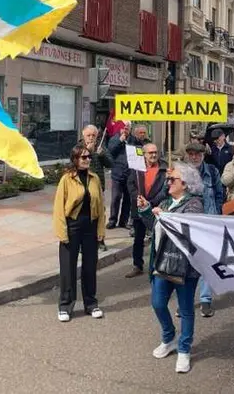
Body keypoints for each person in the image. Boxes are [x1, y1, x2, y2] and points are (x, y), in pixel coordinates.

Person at [138, 164, 204, 373]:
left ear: (185, 184)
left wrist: (165, 215)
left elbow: (187, 227)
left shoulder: (195, 204)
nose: (168, 182)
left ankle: (184, 349)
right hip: (163, 263)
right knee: (158, 303)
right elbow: (153, 226)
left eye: (172, 180)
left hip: (185, 267)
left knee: (185, 310)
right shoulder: (166, 202)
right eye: (168, 179)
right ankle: (169, 337)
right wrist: (146, 210)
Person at [53, 144, 106, 322]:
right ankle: (65, 306)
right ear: (75, 159)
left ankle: (91, 304)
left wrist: (100, 229)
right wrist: (62, 233)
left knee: (90, 266)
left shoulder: (95, 178)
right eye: (84, 157)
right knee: (68, 267)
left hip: (90, 227)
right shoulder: (67, 179)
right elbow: (59, 208)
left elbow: (100, 206)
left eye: (89, 157)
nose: (87, 160)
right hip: (72, 226)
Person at [184, 142, 224, 316]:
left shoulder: (212, 172)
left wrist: (216, 217)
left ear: (202, 155)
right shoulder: (181, 172)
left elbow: (219, 195)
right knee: (188, 263)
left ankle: (205, 299)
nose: (194, 157)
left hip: (208, 223)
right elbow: (170, 193)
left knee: (206, 262)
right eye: (191, 154)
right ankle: (186, 301)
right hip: (188, 223)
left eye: (197, 154)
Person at [125, 143, 168, 280]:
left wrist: (152, 202)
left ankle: (158, 264)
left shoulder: (164, 168)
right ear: (144, 154)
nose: (154, 155)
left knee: (159, 237)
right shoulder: (136, 168)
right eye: (150, 153)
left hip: (156, 208)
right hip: (139, 207)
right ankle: (137, 265)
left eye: (155, 152)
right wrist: (137, 197)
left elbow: (166, 189)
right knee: (138, 238)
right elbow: (130, 184)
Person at [106, 124, 148, 231]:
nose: (125, 130)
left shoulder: (134, 140)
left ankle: (123, 221)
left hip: (130, 174)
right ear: (120, 129)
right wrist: (120, 141)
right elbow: (110, 151)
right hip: (117, 173)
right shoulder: (115, 138)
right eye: (124, 128)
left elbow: (140, 150)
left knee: (128, 199)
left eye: (127, 128)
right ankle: (112, 220)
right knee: (116, 197)